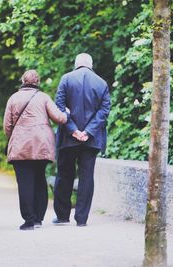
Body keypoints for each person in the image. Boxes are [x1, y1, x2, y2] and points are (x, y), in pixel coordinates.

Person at [3, 70, 68, 230]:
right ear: (37, 82)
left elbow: (7, 126)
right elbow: (59, 119)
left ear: (22, 81)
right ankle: (39, 218)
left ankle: (29, 220)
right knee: (40, 180)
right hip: (42, 144)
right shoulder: (43, 97)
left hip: (21, 146)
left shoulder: (13, 98)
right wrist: (66, 113)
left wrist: (16, 136)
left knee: (25, 183)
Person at [53, 53, 111, 227]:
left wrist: (73, 130)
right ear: (91, 65)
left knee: (64, 175)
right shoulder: (101, 83)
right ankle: (82, 219)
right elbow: (104, 111)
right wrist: (88, 132)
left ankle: (63, 216)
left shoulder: (66, 79)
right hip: (91, 139)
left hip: (68, 139)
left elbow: (59, 107)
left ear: (76, 64)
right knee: (86, 177)